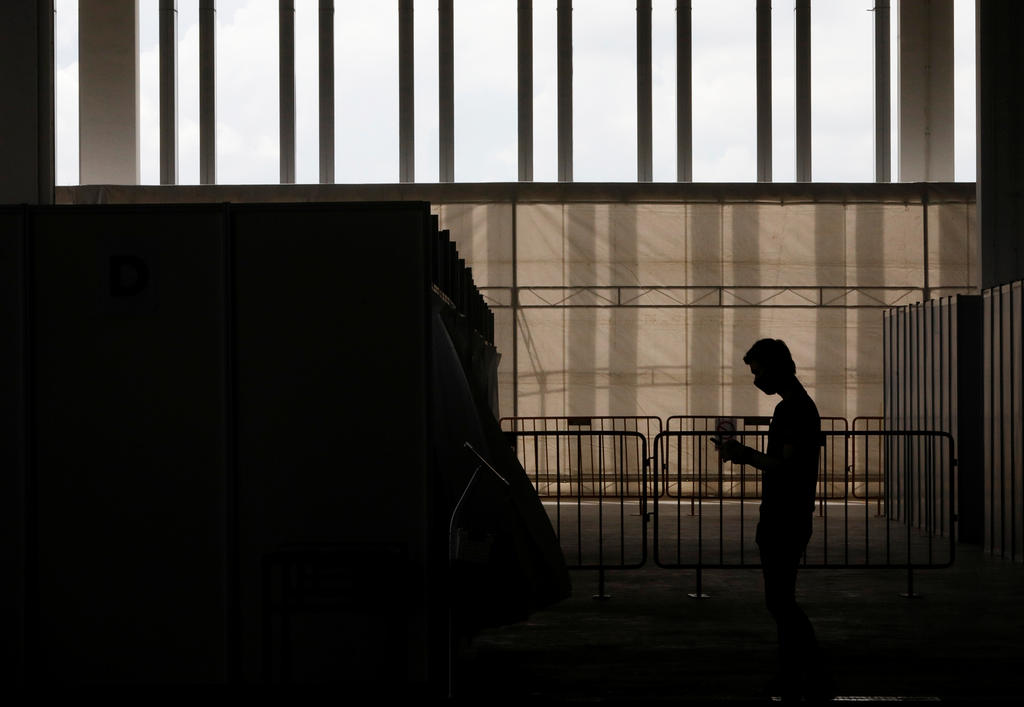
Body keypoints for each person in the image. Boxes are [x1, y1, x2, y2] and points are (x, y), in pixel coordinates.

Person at [715, 338, 836, 702]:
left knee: (780, 601)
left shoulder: (792, 410)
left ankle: (803, 672)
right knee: (782, 599)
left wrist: (742, 453)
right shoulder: (800, 406)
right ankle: (803, 670)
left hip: (784, 514)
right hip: (791, 512)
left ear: (774, 366)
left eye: (758, 370)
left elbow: (786, 466)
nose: (757, 379)